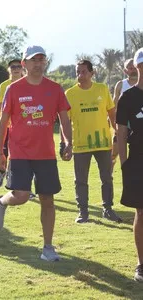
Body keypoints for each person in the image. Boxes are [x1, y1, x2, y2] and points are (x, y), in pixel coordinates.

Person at [0, 45, 72, 261]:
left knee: (48, 199)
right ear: (24, 64)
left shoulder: (55, 88)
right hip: (19, 152)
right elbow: (3, 123)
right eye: (33, 60)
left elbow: (64, 119)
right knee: (22, 196)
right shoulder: (14, 89)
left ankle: (48, 247)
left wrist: (68, 141)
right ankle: (0, 202)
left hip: (46, 153)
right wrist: (0, 152)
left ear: (45, 62)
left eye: (41, 59)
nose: (38, 63)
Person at [65, 60, 122, 224]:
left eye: (83, 72)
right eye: (78, 72)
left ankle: (108, 209)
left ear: (92, 73)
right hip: (80, 145)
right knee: (80, 180)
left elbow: (112, 113)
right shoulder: (70, 93)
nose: (80, 75)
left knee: (107, 178)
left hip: (103, 143)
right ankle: (83, 212)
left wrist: (116, 133)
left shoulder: (102, 89)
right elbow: (65, 121)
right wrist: (66, 142)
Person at [116, 48, 143, 282]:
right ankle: (141, 264)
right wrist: (124, 163)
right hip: (137, 161)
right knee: (141, 211)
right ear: (137, 67)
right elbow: (121, 134)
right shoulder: (128, 97)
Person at [0, 59, 24, 188]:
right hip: (6, 126)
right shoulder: (4, 86)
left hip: (21, 127)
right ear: (8, 69)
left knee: (19, 158)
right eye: (13, 67)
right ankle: (2, 172)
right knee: (2, 154)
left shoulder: (28, 83)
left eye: (18, 66)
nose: (16, 69)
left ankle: (19, 184)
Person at [111, 58, 138, 173]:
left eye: (135, 67)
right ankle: (109, 175)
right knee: (114, 153)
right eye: (130, 68)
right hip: (122, 125)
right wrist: (114, 125)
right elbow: (113, 106)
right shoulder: (121, 85)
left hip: (138, 125)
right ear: (125, 71)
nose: (133, 70)